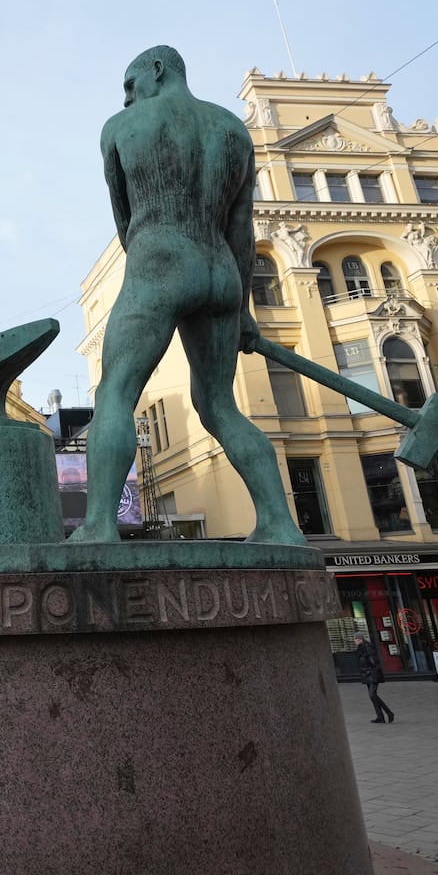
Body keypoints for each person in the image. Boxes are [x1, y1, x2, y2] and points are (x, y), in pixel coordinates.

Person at [73, 46, 301, 546]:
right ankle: (281, 525)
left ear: (156, 70)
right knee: (220, 406)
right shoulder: (233, 131)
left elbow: (126, 221)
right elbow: (243, 230)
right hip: (221, 269)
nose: (128, 98)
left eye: (130, 85)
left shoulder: (119, 128)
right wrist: (241, 307)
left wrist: (154, 264)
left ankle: (98, 526)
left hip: (159, 259)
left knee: (115, 395)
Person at [354, 635, 394, 724]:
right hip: (367, 674)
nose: (354, 641)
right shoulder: (360, 648)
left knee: (373, 695)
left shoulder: (368, 648)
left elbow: (374, 662)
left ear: (360, 639)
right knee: (372, 696)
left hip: (372, 674)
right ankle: (380, 717)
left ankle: (389, 712)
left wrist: (370, 671)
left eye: (356, 639)